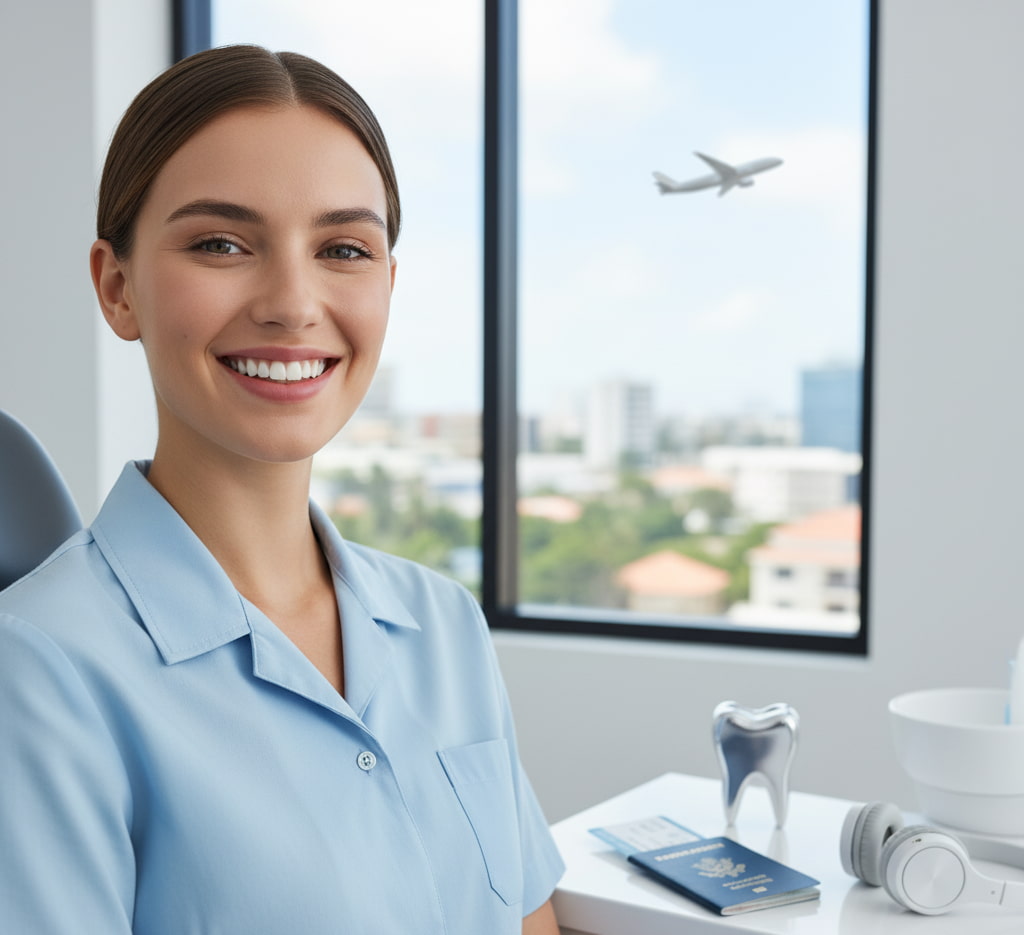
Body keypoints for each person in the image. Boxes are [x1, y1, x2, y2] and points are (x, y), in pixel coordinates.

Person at [0, 45, 563, 934]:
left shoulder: (444, 624)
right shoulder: (37, 669)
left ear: (385, 283)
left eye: (343, 248)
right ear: (117, 287)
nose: (294, 302)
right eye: (222, 243)